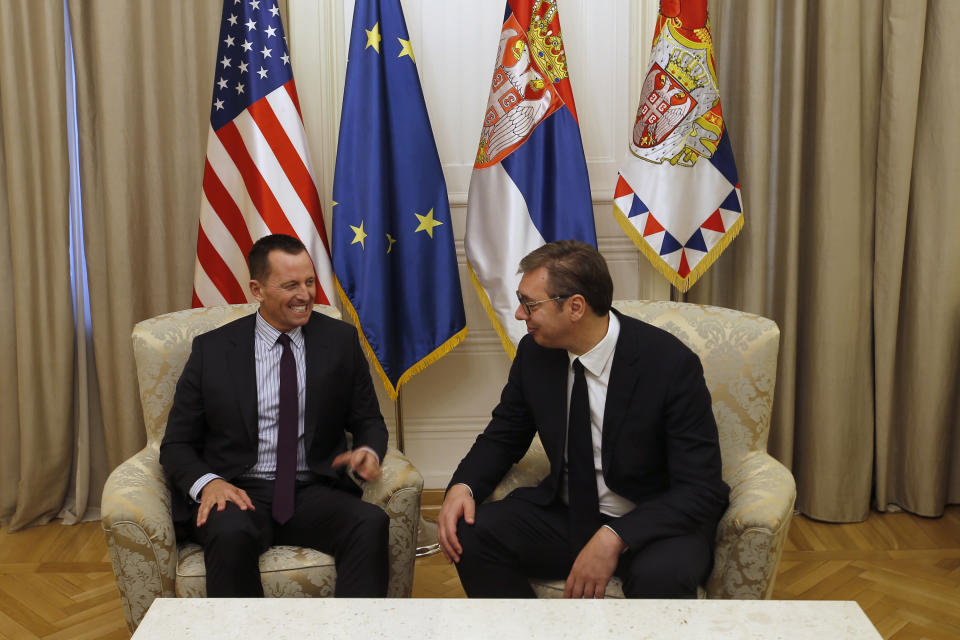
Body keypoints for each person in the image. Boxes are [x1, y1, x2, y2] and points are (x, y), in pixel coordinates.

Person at [437, 240, 729, 599]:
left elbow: (700, 489)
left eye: (530, 304)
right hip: (568, 517)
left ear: (575, 307)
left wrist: (616, 536)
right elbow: (503, 435)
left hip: (653, 525)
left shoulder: (668, 364)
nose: (518, 314)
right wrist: (462, 487)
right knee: (471, 533)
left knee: (662, 577)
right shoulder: (535, 355)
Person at [160, 234, 389, 597]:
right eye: (290, 285)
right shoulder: (213, 351)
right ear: (257, 289)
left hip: (312, 488)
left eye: (310, 282)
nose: (305, 294)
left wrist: (369, 450)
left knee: (370, 522)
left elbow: (368, 421)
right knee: (229, 533)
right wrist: (209, 483)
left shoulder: (340, 341)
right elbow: (176, 444)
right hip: (238, 490)